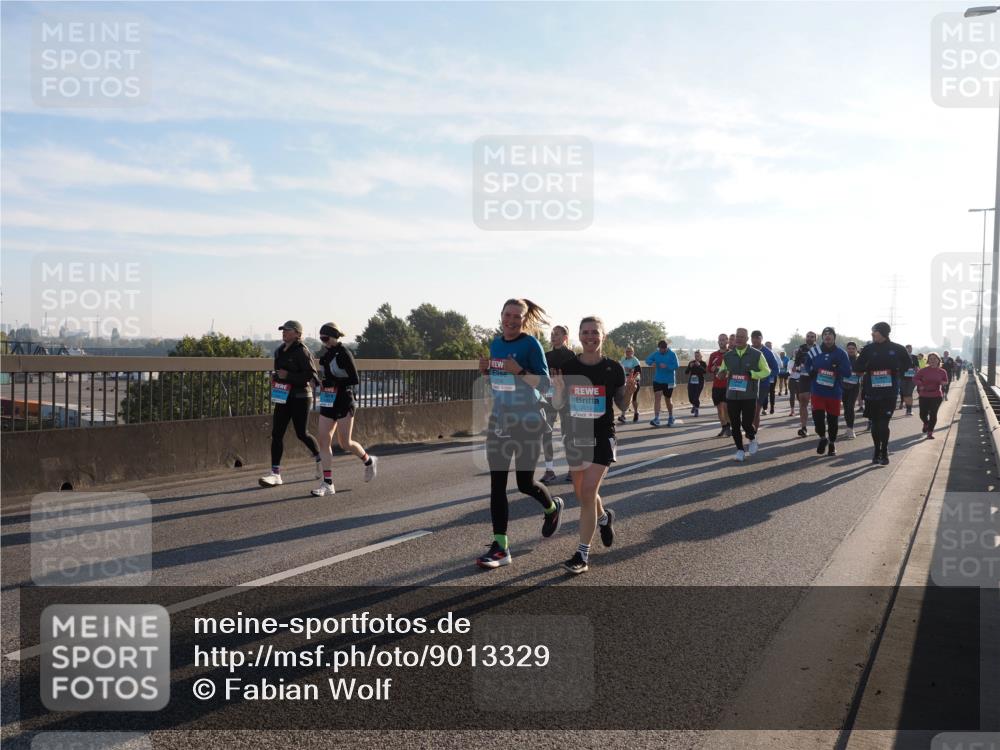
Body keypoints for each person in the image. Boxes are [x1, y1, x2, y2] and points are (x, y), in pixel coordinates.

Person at [476, 298, 564, 569]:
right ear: (501, 315)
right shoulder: (496, 343)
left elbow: (546, 385)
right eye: (508, 315)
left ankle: (552, 508)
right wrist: (487, 373)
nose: (511, 320)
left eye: (517, 317)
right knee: (497, 485)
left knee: (525, 483)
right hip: (501, 422)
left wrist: (521, 370)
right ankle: (500, 546)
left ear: (524, 320)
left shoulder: (531, 345)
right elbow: (501, 384)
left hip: (528, 423)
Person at [551, 316, 638, 574]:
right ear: (579, 335)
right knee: (582, 494)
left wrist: (630, 391)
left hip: (602, 436)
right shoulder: (568, 367)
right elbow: (557, 405)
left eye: (595, 332)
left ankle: (582, 554)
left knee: (588, 492)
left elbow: (621, 405)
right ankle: (603, 517)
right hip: (575, 436)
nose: (590, 337)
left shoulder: (614, 368)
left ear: (603, 336)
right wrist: (558, 390)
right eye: (586, 332)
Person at [310, 323, 378, 496]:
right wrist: (319, 382)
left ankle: (369, 461)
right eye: (321, 338)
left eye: (325, 338)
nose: (323, 341)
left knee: (345, 443)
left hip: (344, 401)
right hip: (328, 400)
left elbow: (354, 379)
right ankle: (328, 483)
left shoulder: (344, 353)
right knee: (324, 440)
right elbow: (326, 378)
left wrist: (335, 383)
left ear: (334, 337)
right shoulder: (325, 356)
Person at [260, 320, 322, 487]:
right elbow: (280, 373)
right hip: (283, 395)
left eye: (288, 330)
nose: (284, 332)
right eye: (283, 330)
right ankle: (275, 474)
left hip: (301, 397)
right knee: (276, 434)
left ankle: (320, 459)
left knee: (301, 433)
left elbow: (310, 375)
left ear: (297, 334)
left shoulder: (302, 351)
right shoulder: (279, 351)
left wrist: (288, 376)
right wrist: (276, 377)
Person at [854, 321, 911, 465]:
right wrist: (866, 367)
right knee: (874, 423)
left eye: (875, 331)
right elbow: (857, 367)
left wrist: (896, 371)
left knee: (884, 423)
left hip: (889, 392)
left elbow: (908, 364)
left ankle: (884, 451)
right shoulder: (868, 349)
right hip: (872, 392)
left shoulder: (897, 348)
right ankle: (876, 450)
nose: (872, 334)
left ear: (883, 333)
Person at [717, 328, 771, 462]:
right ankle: (740, 450)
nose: (739, 339)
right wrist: (720, 374)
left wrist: (753, 374)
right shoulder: (728, 356)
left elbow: (766, 371)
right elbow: (722, 371)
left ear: (747, 339)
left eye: (742, 337)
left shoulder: (757, 354)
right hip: (732, 395)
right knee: (735, 424)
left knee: (747, 423)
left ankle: (752, 438)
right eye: (738, 336)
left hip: (749, 395)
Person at [806, 327, 853, 457]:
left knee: (833, 420)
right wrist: (811, 371)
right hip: (817, 391)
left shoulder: (841, 353)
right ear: (822, 337)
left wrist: (837, 367)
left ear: (834, 337)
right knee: (818, 419)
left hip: (834, 392)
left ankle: (832, 443)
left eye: (830, 334)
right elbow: (807, 365)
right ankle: (822, 438)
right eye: (825, 334)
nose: (827, 336)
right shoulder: (814, 351)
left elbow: (848, 373)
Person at [541, 325, 576, 485]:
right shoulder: (546, 355)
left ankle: (572, 469)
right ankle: (549, 470)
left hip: (567, 399)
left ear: (565, 337)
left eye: (557, 334)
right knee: (546, 432)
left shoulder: (571, 356)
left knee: (567, 434)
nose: (553, 336)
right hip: (549, 398)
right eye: (552, 334)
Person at [751, 331, 780, 432]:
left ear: (761, 339)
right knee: (749, 410)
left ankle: (753, 433)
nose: (755, 340)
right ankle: (750, 428)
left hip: (762, 385)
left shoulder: (768, 352)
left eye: (757, 338)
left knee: (756, 410)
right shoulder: (748, 350)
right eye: (753, 338)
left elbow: (776, 369)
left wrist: (765, 375)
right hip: (748, 384)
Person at [645, 340, 679, 427]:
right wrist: (652, 363)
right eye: (660, 349)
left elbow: (676, 366)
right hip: (658, 380)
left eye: (663, 349)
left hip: (669, 381)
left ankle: (671, 416)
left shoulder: (672, 354)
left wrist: (667, 366)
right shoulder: (656, 353)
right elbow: (647, 360)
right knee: (657, 397)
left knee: (668, 399)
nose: (661, 351)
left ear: (666, 348)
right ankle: (656, 418)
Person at [915, 352, 949, 439]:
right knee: (922, 414)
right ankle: (926, 423)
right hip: (924, 395)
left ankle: (930, 432)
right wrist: (920, 384)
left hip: (936, 395)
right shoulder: (923, 370)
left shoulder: (942, 371)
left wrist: (943, 382)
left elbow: (946, 381)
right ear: (928, 361)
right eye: (930, 359)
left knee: (933, 414)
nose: (933, 360)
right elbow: (915, 378)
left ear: (938, 360)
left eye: (935, 359)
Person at [793, 331, 818, 437]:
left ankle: (819, 425)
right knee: (803, 401)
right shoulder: (801, 348)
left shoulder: (819, 349)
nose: (810, 338)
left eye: (812, 337)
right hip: (804, 377)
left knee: (816, 403)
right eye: (808, 336)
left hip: (816, 378)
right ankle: (803, 428)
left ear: (815, 339)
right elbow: (797, 362)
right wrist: (795, 367)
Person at [707, 333, 731, 438]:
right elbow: (708, 368)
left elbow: (734, 368)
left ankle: (728, 427)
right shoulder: (713, 355)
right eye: (720, 340)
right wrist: (712, 369)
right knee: (719, 409)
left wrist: (722, 368)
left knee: (725, 408)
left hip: (727, 385)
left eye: (723, 340)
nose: (721, 342)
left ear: (727, 341)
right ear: (718, 342)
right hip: (716, 386)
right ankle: (724, 427)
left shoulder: (731, 354)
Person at [841, 341, 863, 439]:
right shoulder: (843, 359)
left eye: (853, 349)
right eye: (849, 349)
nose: (851, 350)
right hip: (843, 386)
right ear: (846, 349)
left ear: (856, 350)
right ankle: (848, 428)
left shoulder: (859, 360)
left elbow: (862, 373)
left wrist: (855, 372)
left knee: (850, 406)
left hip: (854, 386)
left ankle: (851, 429)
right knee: (846, 408)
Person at [618, 345, 642, 423]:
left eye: (629, 351)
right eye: (626, 351)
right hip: (625, 381)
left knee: (633, 399)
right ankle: (623, 415)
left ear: (632, 352)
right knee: (625, 398)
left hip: (634, 381)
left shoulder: (635, 360)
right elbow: (619, 368)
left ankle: (636, 412)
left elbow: (639, 371)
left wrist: (630, 370)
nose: (628, 353)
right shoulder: (623, 359)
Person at [685, 350, 708, 417]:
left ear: (701, 356)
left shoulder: (703, 363)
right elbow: (686, 372)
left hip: (700, 382)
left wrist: (699, 366)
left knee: (696, 396)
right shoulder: (691, 362)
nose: (696, 357)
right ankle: (694, 405)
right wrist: (690, 367)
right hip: (691, 382)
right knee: (690, 398)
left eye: (698, 356)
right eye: (695, 356)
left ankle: (696, 409)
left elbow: (705, 372)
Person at [899, 344, 919, 416]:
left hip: (912, 378)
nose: (909, 350)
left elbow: (917, 367)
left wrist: (916, 372)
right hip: (902, 378)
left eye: (910, 348)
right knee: (905, 394)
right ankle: (907, 407)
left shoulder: (914, 357)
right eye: (907, 348)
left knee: (909, 393)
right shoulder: (901, 357)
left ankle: (909, 410)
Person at [764, 341, 778, 413]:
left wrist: (773, 368)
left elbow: (780, 364)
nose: (768, 347)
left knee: (771, 391)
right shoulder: (761, 353)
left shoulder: (774, 354)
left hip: (772, 376)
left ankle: (771, 407)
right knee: (765, 391)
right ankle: (765, 408)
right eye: (767, 346)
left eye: (769, 346)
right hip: (764, 375)